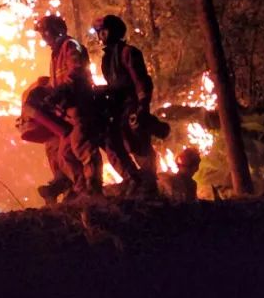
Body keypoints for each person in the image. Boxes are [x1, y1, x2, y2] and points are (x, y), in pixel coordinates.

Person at [93, 14, 168, 196]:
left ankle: (150, 184)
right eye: (99, 32)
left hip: (132, 104)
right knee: (113, 141)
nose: (101, 35)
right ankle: (134, 180)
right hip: (117, 106)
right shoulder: (106, 59)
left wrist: (142, 106)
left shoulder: (128, 52)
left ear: (115, 31)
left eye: (104, 31)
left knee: (137, 140)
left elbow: (140, 81)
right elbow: (114, 85)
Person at [35, 15, 103, 197]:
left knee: (83, 146)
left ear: (56, 29)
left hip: (80, 104)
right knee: (65, 153)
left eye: (45, 32)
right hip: (66, 109)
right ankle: (81, 190)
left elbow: (76, 71)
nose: (44, 36)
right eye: (42, 33)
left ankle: (94, 189)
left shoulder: (70, 46)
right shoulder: (55, 54)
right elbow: (56, 83)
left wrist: (62, 90)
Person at [17, 76, 78, 205]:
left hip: (42, 132)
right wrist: (62, 130)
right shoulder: (42, 90)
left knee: (57, 162)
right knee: (66, 159)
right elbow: (39, 112)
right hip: (49, 129)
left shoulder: (30, 92)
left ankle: (60, 192)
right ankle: (67, 190)